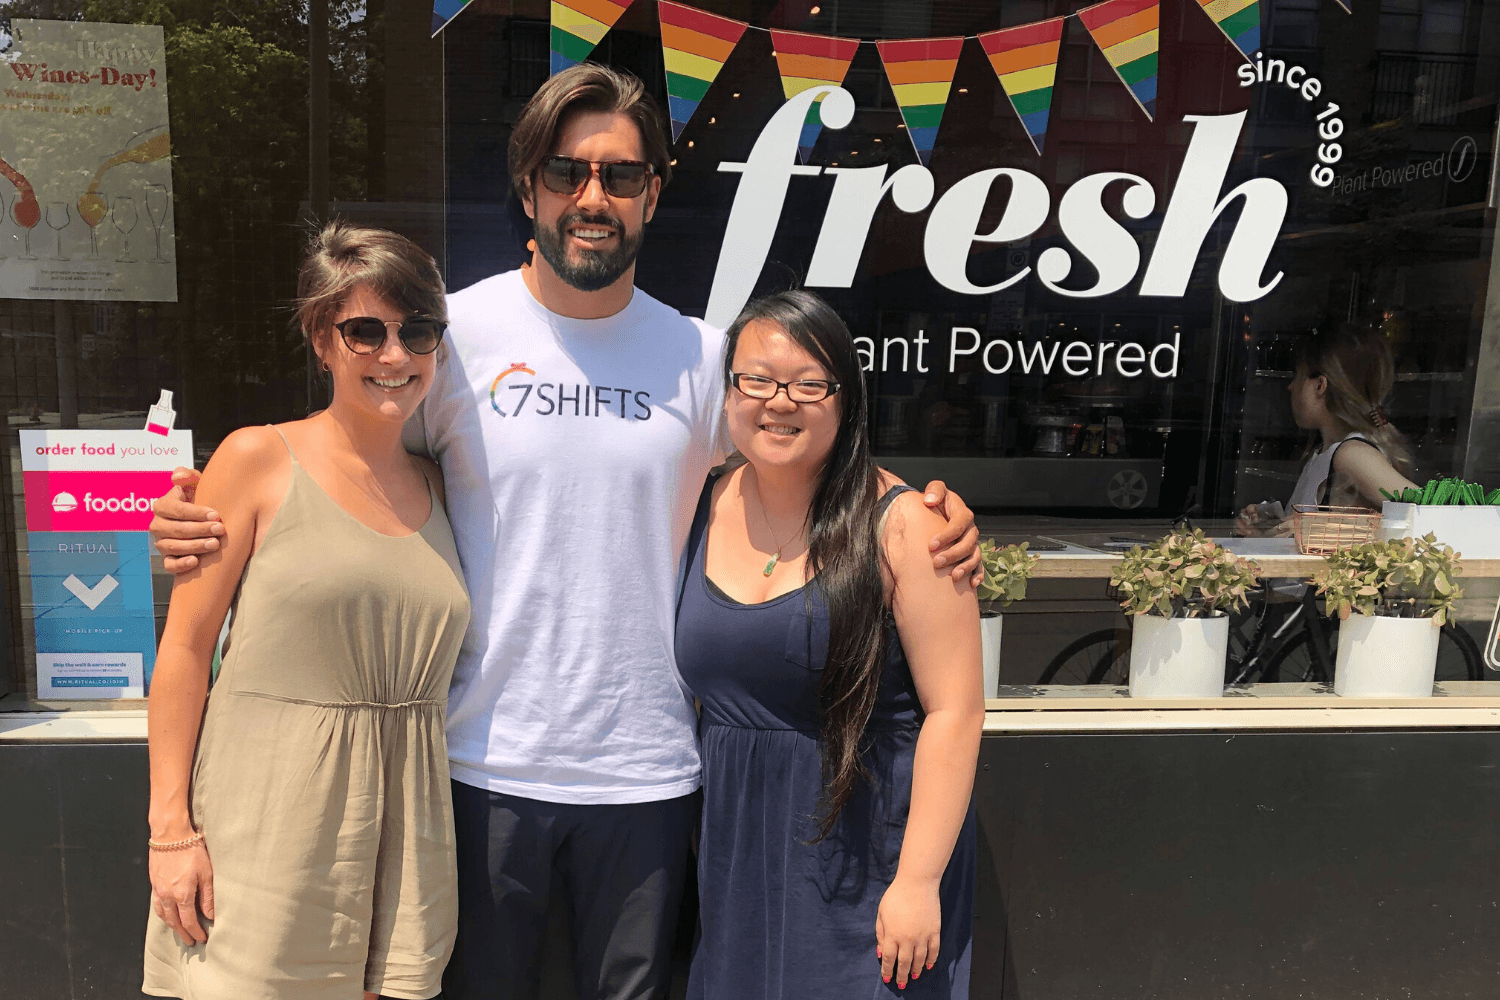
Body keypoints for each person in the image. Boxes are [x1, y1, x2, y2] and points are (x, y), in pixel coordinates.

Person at [148, 64, 982, 1000]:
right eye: (566, 172)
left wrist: (922, 512)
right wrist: (212, 508)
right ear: (529, 187)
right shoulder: (447, 337)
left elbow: (800, 443)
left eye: (620, 176)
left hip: (651, 776)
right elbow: (353, 465)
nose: (593, 197)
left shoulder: (701, 356)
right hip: (477, 764)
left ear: (652, 194)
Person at [142, 223, 470, 1000]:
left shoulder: (443, 482)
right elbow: (185, 649)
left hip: (407, 830)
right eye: (366, 331)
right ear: (322, 340)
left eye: (418, 331)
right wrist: (170, 831)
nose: (395, 355)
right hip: (270, 821)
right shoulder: (257, 457)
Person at [675, 291, 983, 998]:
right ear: (729, 394)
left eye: (809, 384)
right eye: (757, 379)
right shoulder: (700, 499)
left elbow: (957, 711)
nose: (779, 401)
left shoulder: (907, 526)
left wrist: (918, 881)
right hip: (738, 857)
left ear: (846, 399)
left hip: (867, 855)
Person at [1236, 322, 1419, 537]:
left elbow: (1427, 511)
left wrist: (1325, 527)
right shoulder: (1323, 452)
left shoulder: (1353, 454)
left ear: (1320, 385)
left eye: (1298, 376)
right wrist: (1265, 531)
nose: (1291, 386)